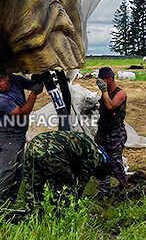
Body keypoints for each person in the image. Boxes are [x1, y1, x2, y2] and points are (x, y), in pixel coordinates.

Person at [0, 70, 43, 206]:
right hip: (8, 135)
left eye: (1, 80)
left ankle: (10, 201)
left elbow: (31, 85)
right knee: (6, 169)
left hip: (19, 133)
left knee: (18, 170)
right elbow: (22, 112)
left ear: (7, 77)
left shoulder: (15, 80)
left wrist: (37, 80)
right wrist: (34, 93)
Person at [23, 130, 111, 211]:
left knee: (33, 187)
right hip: (53, 152)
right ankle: (62, 214)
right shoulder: (94, 158)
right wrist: (76, 204)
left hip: (34, 145)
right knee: (65, 187)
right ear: (100, 167)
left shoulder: (87, 143)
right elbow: (79, 185)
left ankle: (32, 216)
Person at [94, 66, 128, 197]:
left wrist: (104, 91)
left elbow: (110, 106)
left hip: (115, 132)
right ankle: (104, 191)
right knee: (102, 161)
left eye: (102, 80)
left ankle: (124, 186)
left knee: (115, 162)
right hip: (103, 131)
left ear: (109, 79)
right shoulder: (105, 93)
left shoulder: (120, 93)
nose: (100, 82)